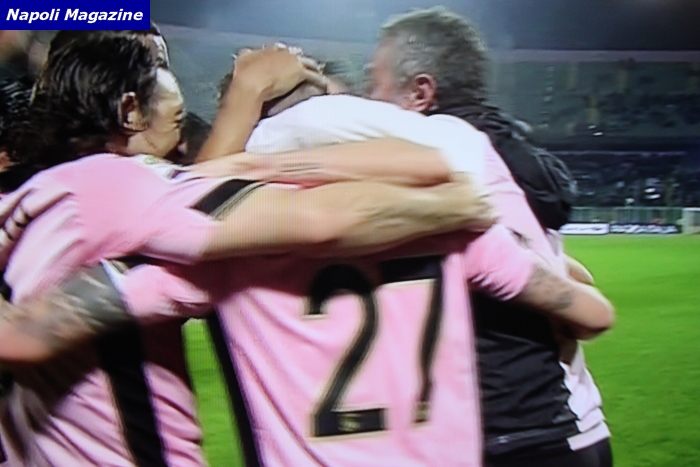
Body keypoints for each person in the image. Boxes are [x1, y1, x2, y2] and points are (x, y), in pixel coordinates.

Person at [0, 33, 493, 467]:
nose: (183, 155)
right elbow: (318, 219)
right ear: (129, 111)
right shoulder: (121, 183)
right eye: (162, 68)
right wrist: (456, 203)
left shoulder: (38, 196)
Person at [363, 7, 612, 467]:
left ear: (420, 92)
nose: (365, 101)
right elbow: (566, 269)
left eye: (372, 84)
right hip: (571, 423)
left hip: (518, 432)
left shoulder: (441, 150)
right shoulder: (510, 149)